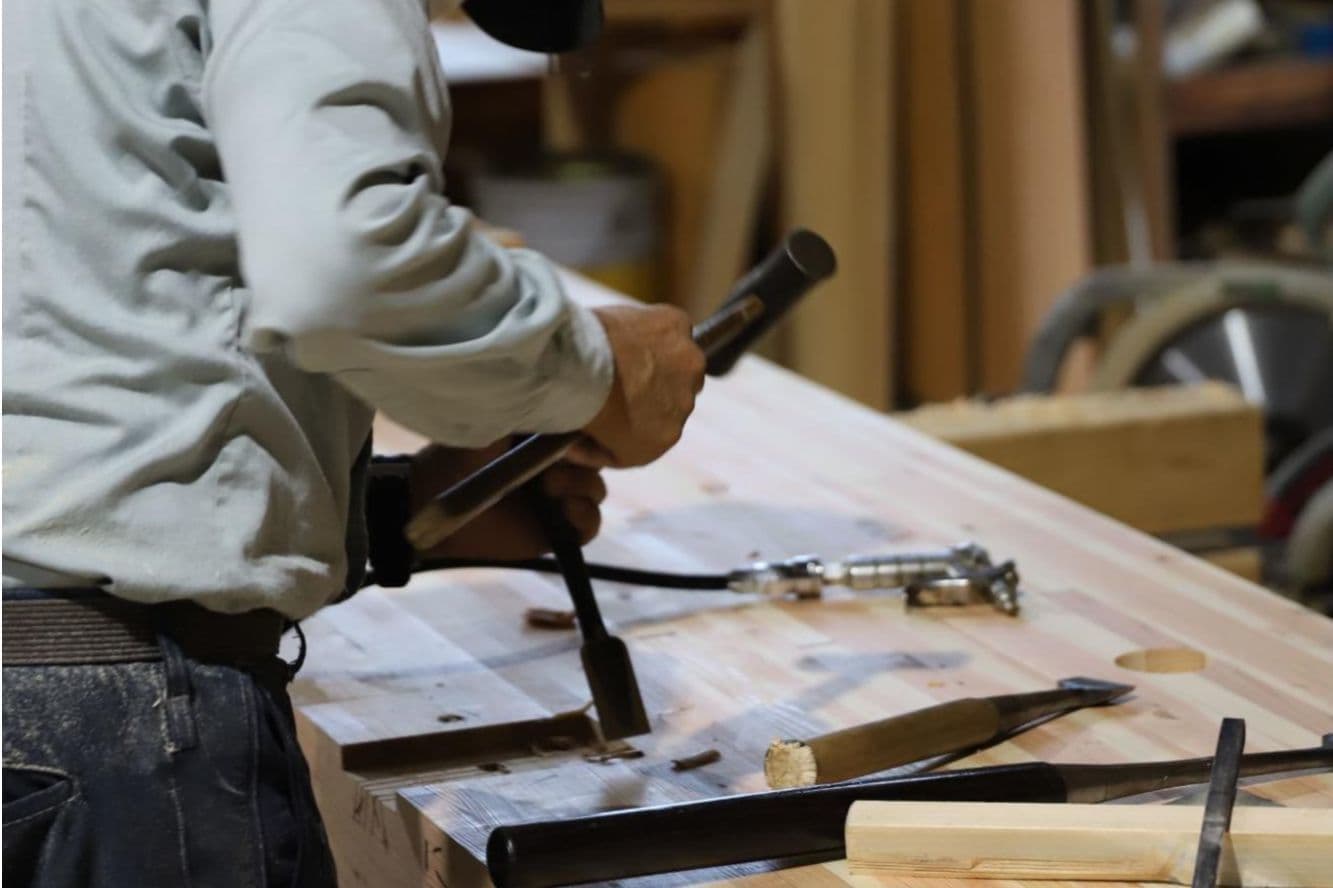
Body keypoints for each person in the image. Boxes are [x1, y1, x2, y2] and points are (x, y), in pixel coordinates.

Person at [1, 0, 705, 884]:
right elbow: (341, 263)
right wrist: (597, 368)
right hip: (119, 738)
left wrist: (394, 508)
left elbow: (75, 302)